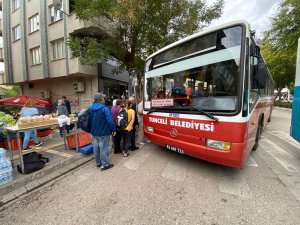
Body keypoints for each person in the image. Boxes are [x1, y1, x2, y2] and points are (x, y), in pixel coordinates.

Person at [89, 93, 116, 170]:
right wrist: (113, 129)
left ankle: (98, 163)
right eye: (104, 98)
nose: (104, 99)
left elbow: (89, 120)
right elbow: (110, 121)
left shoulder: (90, 108)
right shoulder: (105, 108)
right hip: (104, 132)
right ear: (101, 99)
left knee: (96, 148)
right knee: (103, 148)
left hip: (94, 132)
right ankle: (105, 164)